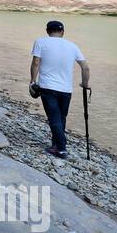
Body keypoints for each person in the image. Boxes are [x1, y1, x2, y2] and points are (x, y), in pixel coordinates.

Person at [29, 20, 91, 159]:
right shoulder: (72, 46)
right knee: (61, 117)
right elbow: (85, 67)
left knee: (54, 118)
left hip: (48, 87)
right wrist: (85, 84)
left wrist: (33, 81)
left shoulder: (41, 42)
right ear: (63, 32)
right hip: (66, 89)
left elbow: (36, 63)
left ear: (47, 31)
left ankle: (61, 148)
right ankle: (56, 144)